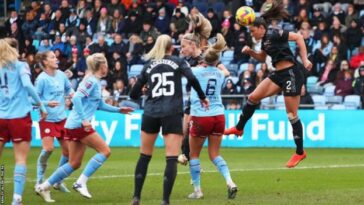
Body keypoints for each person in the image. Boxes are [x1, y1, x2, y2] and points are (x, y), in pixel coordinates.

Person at [224, 0, 313, 168]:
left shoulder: (274, 33)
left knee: (291, 114)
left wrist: (305, 58)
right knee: (253, 97)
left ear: (261, 28)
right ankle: (239, 127)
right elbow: (263, 58)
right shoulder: (264, 40)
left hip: (291, 73)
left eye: (252, 31)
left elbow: (299, 37)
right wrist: (251, 52)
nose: (251, 34)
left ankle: (300, 152)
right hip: (278, 74)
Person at [35, 53, 133, 202]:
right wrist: (84, 119)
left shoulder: (95, 81)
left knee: (74, 163)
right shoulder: (91, 81)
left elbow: (100, 104)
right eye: (106, 64)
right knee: (105, 151)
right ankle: (80, 182)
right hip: (78, 125)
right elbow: (76, 98)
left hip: (72, 124)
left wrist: (119, 110)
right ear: (102, 66)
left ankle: (44, 186)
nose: (108, 66)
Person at [129, 34, 209, 205]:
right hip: (172, 112)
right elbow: (192, 79)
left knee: (144, 156)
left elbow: (133, 94)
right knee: (171, 158)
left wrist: (144, 91)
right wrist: (202, 97)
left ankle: (136, 196)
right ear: (171, 48)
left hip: (151, 112)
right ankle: (165, 200)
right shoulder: (178, 62)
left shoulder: (148, 65)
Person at [187, 34, 237, 200]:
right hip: (219, 116)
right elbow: (226, 73)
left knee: (194, 155)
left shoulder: (195, 71)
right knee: (215, 154)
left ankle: (198, 191)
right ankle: (230, 181)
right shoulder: (220, 74)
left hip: (201, 116)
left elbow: (184, 68)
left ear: (204, 60)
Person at [0, 38, 47, 205]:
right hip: (19, 117)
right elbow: (27, 86)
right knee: (20, 159)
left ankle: (2, 195)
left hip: (1, 117)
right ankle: (16, 199)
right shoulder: (21, 65)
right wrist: (41, 105)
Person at [34, 51, 74, 193]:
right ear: (45, 62)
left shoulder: (62, 75)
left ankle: (57, 181)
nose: (56, 59)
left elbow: (69, 89)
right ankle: (39, 181)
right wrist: (46, 103)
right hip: (47, 120)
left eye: (55, 57)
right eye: (52, 57)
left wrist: (74, 96)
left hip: (62, 118)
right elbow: (33, 100)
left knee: (69, 153)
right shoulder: (41, 79)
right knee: (48, 149)